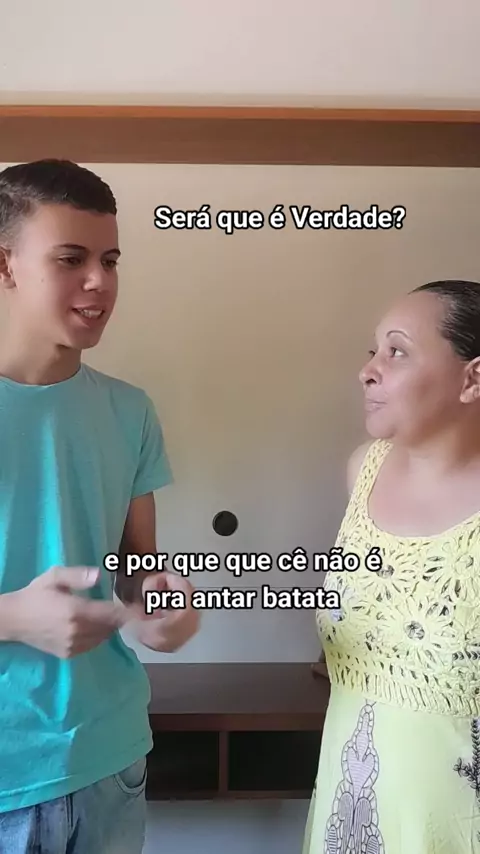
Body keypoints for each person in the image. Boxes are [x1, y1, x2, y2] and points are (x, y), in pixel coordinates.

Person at [0, 159, 200, 853]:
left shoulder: (129, 411)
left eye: (110, 260)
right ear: (5, 264)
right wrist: (12, 617)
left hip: (108, 761)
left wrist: (162, 606)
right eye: (71, 259)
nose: (99, 282)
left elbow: (137, 566)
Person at [303, 279, 480, 854]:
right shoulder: (363, 470)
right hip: (348, 812)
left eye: (397, 351)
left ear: (472, 379)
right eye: (373, 350)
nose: (368, 371)